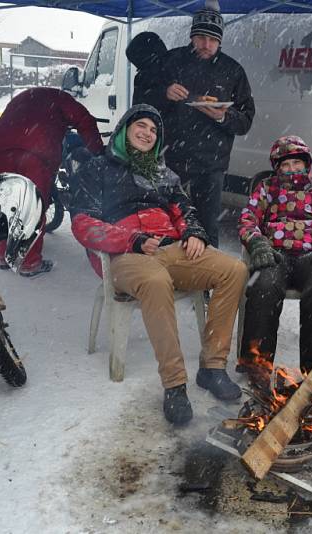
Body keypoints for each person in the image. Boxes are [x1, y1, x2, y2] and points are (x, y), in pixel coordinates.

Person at [69, 104, 248, 426]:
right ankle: (175, 384)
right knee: (155, 281)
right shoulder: (96, 169)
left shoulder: (163, 173)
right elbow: (83, 223)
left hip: (170, 246)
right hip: (125, 254)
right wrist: (131, 239)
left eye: (154, 130)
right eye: (141, 125)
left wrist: (194, 232)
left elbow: (184, 208)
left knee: (233, 270)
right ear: (125, 128)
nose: (148, 133)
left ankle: (212, 367)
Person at [129, 0, 255, 248]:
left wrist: (222, 116)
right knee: (165, 221)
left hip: (211, 164)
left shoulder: (233, 71)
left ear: (220, 41)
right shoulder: (170, 61)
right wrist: (163, 93)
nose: (207, 45)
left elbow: (246, 120)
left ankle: (207, 282)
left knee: (208, 227)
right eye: (201, 38)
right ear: (192, 36)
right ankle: (169, 275)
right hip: (168, 159)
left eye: (213, 40)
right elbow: (140, 105)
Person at [237, 136, 312, 376]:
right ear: (277, 167)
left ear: (307, 164)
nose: (292, 169)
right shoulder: (266, 188)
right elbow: (247, 220)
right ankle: (257, 367)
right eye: (285, 164)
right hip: (275, 255)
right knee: (263, 286)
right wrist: (257, 243)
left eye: (297, 163)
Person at [0, 87, 103, 276]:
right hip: (35, 149)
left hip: (0, 147)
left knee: (7, 203)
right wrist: (97, 151)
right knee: (33, 205)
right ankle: (29, 262)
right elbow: (85, 120)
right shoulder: (62, 99)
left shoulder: (27, 96)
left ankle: (3, 254)